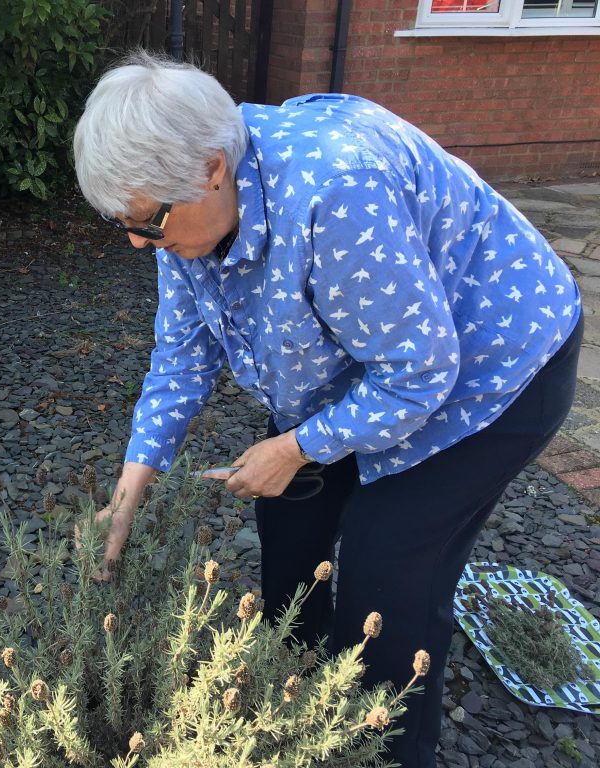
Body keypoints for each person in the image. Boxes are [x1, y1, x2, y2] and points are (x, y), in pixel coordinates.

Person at [73, 51, 581, 767]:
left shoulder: (335, 194)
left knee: (389, 578)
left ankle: (384, 748)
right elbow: (182, 358)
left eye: (145, 222)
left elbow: (419, 372)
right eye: (120, 221)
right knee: (288, 522)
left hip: (491, 368)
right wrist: (128, 493)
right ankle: (297, 697)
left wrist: (296, 446)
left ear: (213, 168)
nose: (135, 240)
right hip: (369, 359)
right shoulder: (175, 205)